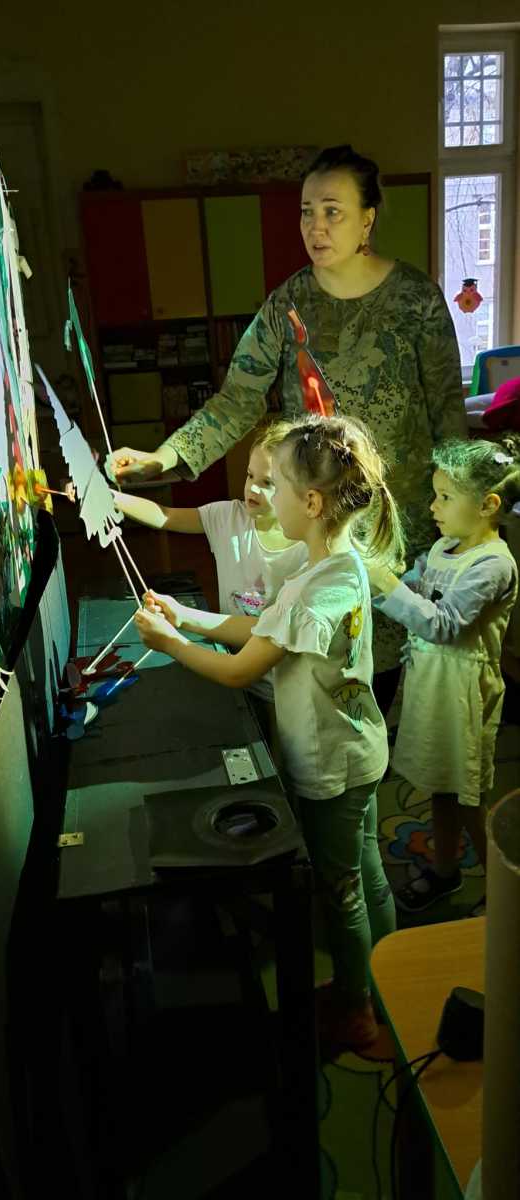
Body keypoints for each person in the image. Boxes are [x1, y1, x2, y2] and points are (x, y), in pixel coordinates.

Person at [106, 143, 467, 713]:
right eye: (306, 212)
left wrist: (462, 523)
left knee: (393, 667)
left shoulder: (416, 299)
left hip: (403, 521)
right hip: (321, 519)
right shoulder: (288, 305)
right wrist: (162, 458)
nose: (315, 227)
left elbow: (449, 415)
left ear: (367, 219)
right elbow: (235, 402)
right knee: (315, 659)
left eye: (333, 211)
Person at [133, 414, 404, 1058]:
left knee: (342, 889)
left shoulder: (313, 590)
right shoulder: (330, 566)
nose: (263, 496)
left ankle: (360, 1011)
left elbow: (240, 669)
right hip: (359, 750)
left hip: (331, 765)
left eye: (274, 484)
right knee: (365, 872)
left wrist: (171, 643)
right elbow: (257, 630)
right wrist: (187, 615)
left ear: (309, 503)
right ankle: (385, 984)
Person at [367, 438, 520, 912]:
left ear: (488, 505)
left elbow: (444, 624)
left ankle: (505, 891)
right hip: (433, 685)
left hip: (464, 695)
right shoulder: (443, 547)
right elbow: (413, 591)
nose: (433, 507)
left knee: (469, 795)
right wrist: (385, 579)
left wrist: (387, 584)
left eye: (445, 497)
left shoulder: (493, 565)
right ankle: (447, 869)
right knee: (441, 785)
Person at [112, 421, 307, 751]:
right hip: (231, 672)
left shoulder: (305, 548)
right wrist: (111, 498)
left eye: (268, 483)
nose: (253, 489)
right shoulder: (226, 517)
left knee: (280, 760)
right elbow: (166, 515)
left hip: (285, 691)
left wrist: (180, 625)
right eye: (250, 476)